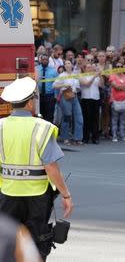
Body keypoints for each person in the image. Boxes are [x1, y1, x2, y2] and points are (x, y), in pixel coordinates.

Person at [0, 77, 73, 260]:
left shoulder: (0, 126)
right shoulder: (43, 128)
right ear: (31, 102)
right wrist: (66, 195)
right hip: (37, 197)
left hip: (6, 194)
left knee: (6, 244)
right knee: (36, 244)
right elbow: (51, 167)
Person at [53, 60, 84, 145]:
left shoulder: (75, 75)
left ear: (71, 65)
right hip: (65, 97)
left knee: (79, 117)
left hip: (74, 96)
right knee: (66, 117)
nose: (67, 65)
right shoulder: (62, 75)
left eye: (69, 63)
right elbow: (54, 85)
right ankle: (65, 138)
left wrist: (75, 89)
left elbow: (78, 87)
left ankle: (78, 138)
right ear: (64, 66)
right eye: (65, 64)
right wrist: (64, 86)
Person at [79, 62, 103, 144]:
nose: (90, 69)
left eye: (91, 67)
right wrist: (95, 76)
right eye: (88, 67)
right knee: (86, 119)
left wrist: (100, 75)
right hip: (86, 99)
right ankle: (85, 137)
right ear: (85, 69)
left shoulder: (96, 76)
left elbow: (101, 85)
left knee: (95, 119)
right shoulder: (82, 76)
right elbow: (86, 84)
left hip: (95, 98)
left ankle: (95, 137)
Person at [109, 59, 125, 142]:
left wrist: (120, 86)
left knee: (123, 120)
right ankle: (114, 136)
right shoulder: (112, 76)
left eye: (121, 66)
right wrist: (124, 86)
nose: (119, 68)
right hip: (115, 101)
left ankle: (122, 135)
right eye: (117, 66)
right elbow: (115, 86)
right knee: (114, 120)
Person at [35, 53, 58, 123]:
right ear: (40, 60)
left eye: (46, 59)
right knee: (40, 116)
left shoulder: (53, 71)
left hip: (50, 96)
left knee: (50, 115)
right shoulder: (36, 69)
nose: (45, 61)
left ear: (48, 60)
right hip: (39, 96)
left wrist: (55, 96)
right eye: (43, 59)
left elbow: (57, 83)